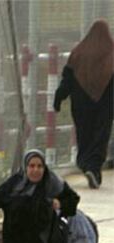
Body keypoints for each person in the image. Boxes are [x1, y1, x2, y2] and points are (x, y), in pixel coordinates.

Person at [53, 19, 114, 189]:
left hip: (81, 104)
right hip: (106, 105)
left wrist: (59, 98)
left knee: (84, 133)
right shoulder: (111, 54)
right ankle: (93, 168)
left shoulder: (79, 52)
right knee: (100, 136)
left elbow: (67, 77)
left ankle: (86, 163)